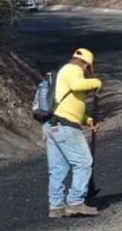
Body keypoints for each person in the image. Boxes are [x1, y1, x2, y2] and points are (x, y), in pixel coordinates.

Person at [43, 48, 103, 219]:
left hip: (52, 124)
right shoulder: (73, 69)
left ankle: (56, 206)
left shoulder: (63, 72)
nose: (87, 72)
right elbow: (77, 86)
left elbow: (69, 106)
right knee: (84, 162)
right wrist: (96, 82)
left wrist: (87, 120)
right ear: (86, 64)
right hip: (64, 125)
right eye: (89, 69)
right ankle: (76, 202)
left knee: (58, 168)